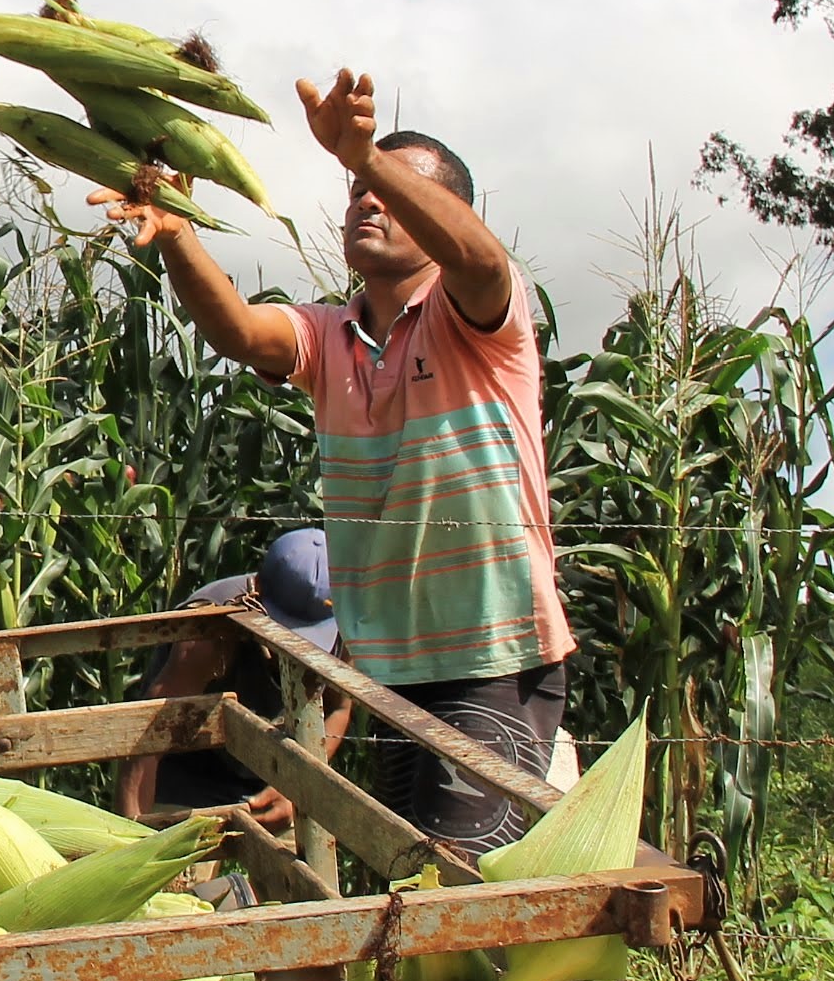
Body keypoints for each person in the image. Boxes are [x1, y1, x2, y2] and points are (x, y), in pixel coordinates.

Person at [96, 69, 575, 852]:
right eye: (357, 194)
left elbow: (482, 264)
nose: (368, 203)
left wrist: (363, 155)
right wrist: (178, 233)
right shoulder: (330, 336)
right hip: (390, 667)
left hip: (492, 650)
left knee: (459, 886)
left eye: (391, 192)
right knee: (405, 874)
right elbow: (245, 335)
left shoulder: (482, 323)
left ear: (445, 215)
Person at [113, 527, 351, 824]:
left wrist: (295, 784)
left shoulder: (340, 629)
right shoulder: (209, 633)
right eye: (284, 632)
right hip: (190, 774)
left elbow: (338, 710)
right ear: (257, 592)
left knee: (300, 861)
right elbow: (148, 742)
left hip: (273, 775)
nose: (295, 651)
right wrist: (133, 841)